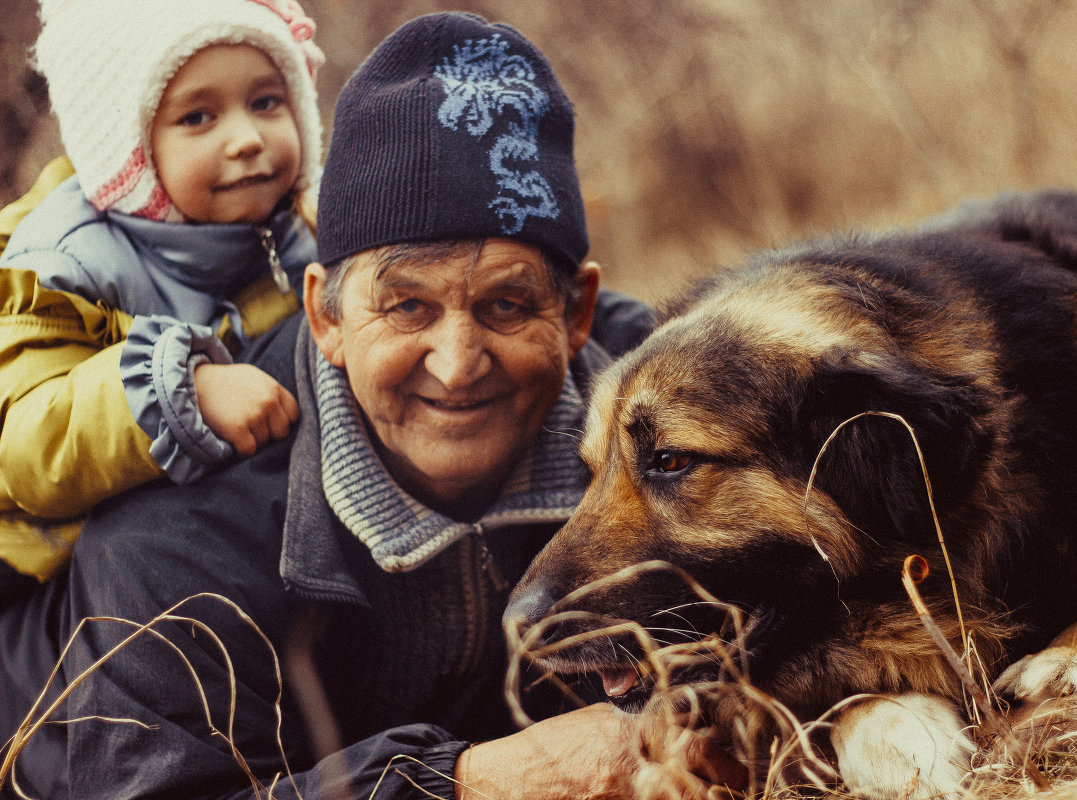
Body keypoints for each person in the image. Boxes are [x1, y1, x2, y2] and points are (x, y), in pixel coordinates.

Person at [0, 12, 745, 800]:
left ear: (576, 311)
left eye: (506, 304)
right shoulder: (179, 536)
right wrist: (464, 782)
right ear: (326, 317)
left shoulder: (684, 453)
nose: (457, 366)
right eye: (407, 307)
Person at [0, 0, 325, 589]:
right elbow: (27, 450)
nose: (248, 138)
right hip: (42, 576)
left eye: (266, 102)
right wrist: (176, 390)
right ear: (132, 155)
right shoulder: (67, 265)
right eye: (198, 117)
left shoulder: (298, 232)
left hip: (217, 545)